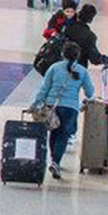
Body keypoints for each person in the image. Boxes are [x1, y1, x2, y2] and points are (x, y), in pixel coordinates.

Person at [33, 41, 96, 179]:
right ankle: (56, 161)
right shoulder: (82, 71)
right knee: (63, 135)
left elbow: (44, 89)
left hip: (51, 106)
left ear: (62, 54)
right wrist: (87, 101)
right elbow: (90, 93)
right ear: (78, 56)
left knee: (54, 133)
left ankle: (54, 159)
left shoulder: (54, 68)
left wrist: (34, 105)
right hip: (71, 108)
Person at [58, 4, 108, 68]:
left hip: (59, 64)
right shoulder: (90, 36)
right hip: (78, 68)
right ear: (90, 20)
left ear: (79, 14)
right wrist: (107, 59)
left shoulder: (66, 27)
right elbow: (94, 58)